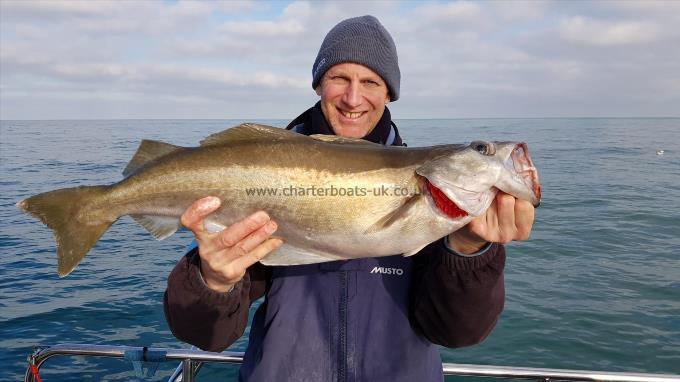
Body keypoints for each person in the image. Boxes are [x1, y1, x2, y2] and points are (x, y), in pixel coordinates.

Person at [164, 15, 535, 381]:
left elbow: (456, 333)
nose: (353, 98)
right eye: (339, 78)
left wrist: (468, 251)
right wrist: (212, 280)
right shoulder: (264, 174)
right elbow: (206, 337)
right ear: (318, 86)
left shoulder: (443, 210)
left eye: (371, 81)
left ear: (388, 92)